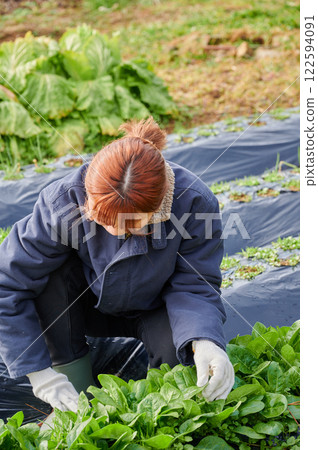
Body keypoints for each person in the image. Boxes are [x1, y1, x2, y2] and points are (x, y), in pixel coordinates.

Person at [0, 117, 234, 413]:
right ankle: (73, 398)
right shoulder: (64, 200)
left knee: (180, 358)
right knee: (47, 277)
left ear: (158, 208)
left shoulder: (194, 204)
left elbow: (195, 282)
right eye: (101, 219)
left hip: (156, 307)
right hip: (85, 304)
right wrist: (39, 373)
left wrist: (204, 340)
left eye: (129, 225)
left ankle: (162, 415)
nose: (111, 231)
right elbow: (6, 282)